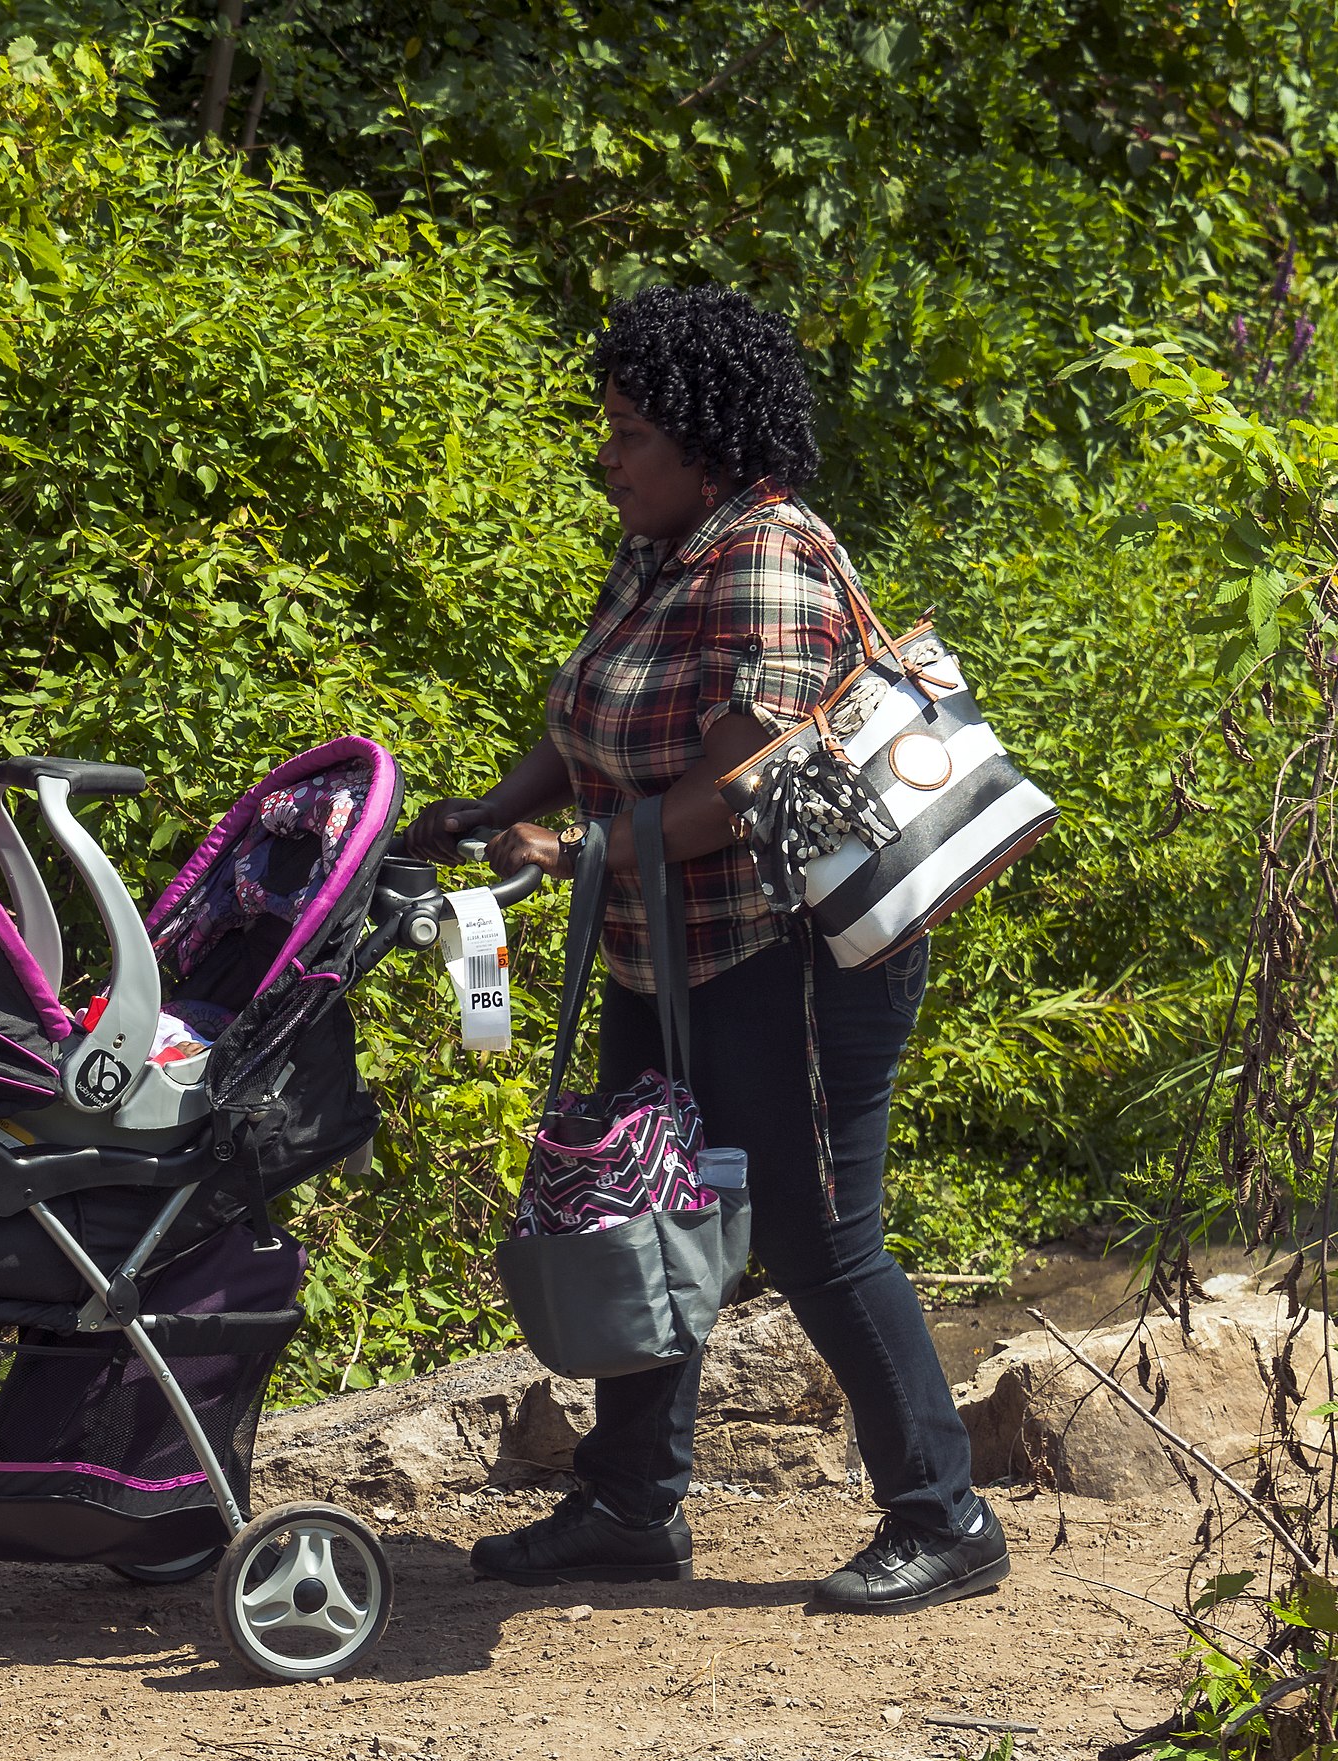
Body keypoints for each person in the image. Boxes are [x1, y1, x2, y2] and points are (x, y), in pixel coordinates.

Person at [406, 284, 1007, 1615]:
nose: (604, 457)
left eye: (626, 431)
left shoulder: (768, 556)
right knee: (646, 1199)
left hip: (787, 959)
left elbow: (732, 789)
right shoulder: (663, 543)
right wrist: (500, 809)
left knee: (817, 1234)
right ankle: (631, 1502)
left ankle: (944, 1510)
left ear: (704, 440)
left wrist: (568, 856)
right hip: (661, 948)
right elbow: (592, 717)